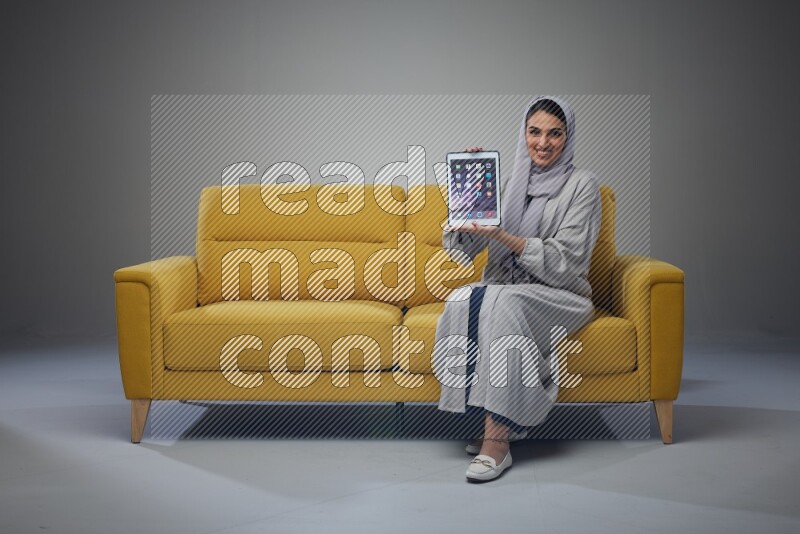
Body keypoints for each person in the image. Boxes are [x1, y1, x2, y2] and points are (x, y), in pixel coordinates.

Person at [434, 96, 602, 483]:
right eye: (534, 132)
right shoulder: (509, 183)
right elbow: (466, 248)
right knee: (463, 298)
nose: (543, 143)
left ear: (568, 137)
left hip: (561, 295)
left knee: (502, 301)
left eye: (555, 134)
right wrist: (468, 193)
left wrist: (505, 237)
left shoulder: (582, 185)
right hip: (504, 289)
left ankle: (498, 442)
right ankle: (487, 419)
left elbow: (568, 260)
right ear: (523, 134)